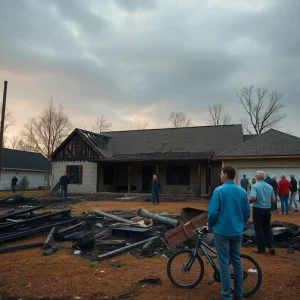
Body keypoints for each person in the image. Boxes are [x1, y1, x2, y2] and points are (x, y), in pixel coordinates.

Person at [208, 166, 250, 300]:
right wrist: (241, 224)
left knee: (224, 263)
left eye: (221, 173)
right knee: (237, 260)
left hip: (222, 231)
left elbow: (213, 212)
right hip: (237, 231)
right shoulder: (242, 191)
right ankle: (239, 293)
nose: (220, 176)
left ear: (225, 175)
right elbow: (247, 212)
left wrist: (210, 225)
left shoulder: (219, 190)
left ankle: (226, 295)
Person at [250, 170, 276, 254]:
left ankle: (261, 248)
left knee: (259, 228)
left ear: (257, 177)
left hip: (258, 209)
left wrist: (248, 202)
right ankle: (271, 245)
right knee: (267, 227)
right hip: (267, 209)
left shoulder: (255, 186)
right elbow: (273, 199)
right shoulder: (269, 186)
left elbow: (253, 198)